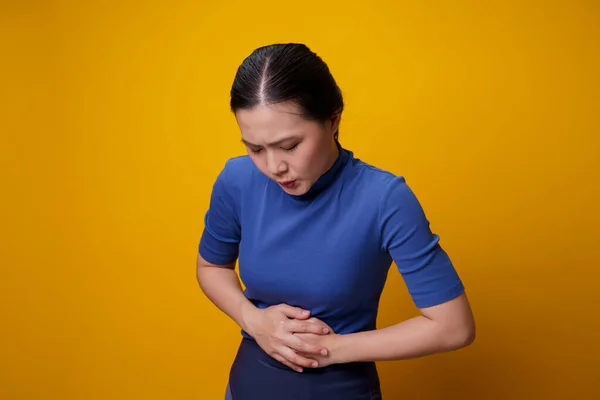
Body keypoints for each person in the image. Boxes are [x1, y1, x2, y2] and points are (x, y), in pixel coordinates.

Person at [196, 43, 475, 400]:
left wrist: (329, 349)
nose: (273, 166)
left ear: (333, 120)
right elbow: (211, 266)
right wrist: (254, 321)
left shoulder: (384, 198)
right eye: (255, 149)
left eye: (290, 145)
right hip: (246, 388)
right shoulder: (237, 180)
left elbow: (454, 327)